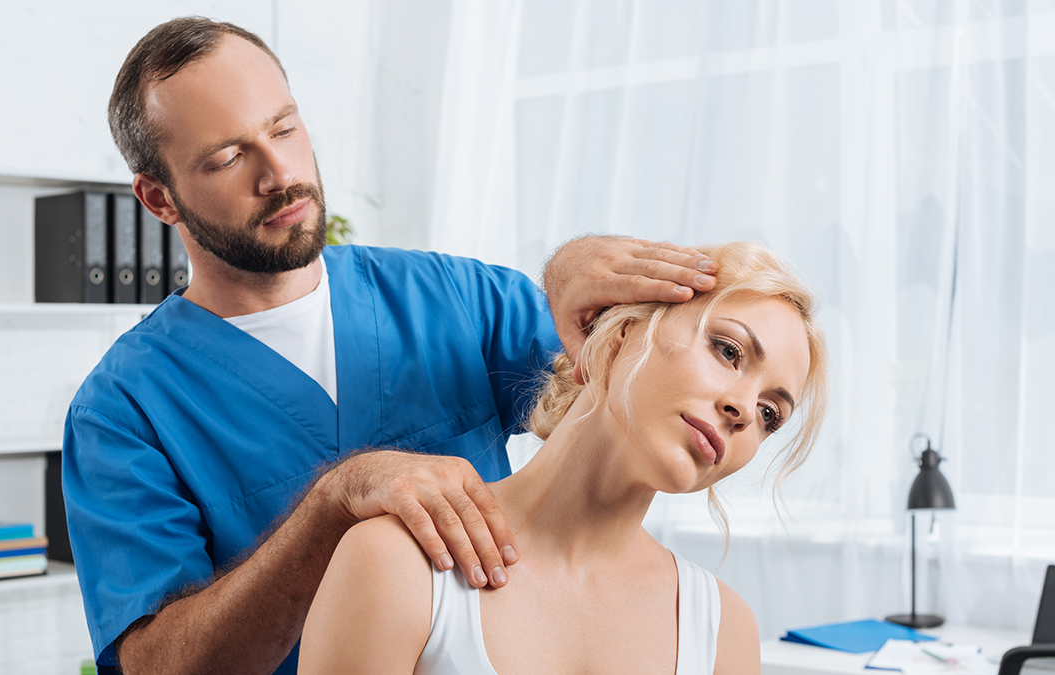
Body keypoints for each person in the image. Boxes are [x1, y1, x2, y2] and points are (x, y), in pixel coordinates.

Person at [63, 16, 720, 675]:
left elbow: (611, 396)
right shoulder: (123, 410)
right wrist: (332, 502)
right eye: (229, 158)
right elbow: (154, 664)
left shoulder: (456, 299)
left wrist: (574, 280)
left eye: (284, 127)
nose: (279, 173)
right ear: (159, 198)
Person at [299, 241, 830, 674]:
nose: (742, 411)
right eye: (729, 350)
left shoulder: (724, 633)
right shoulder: (396, 564)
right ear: (621, 335)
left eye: (770, 414)